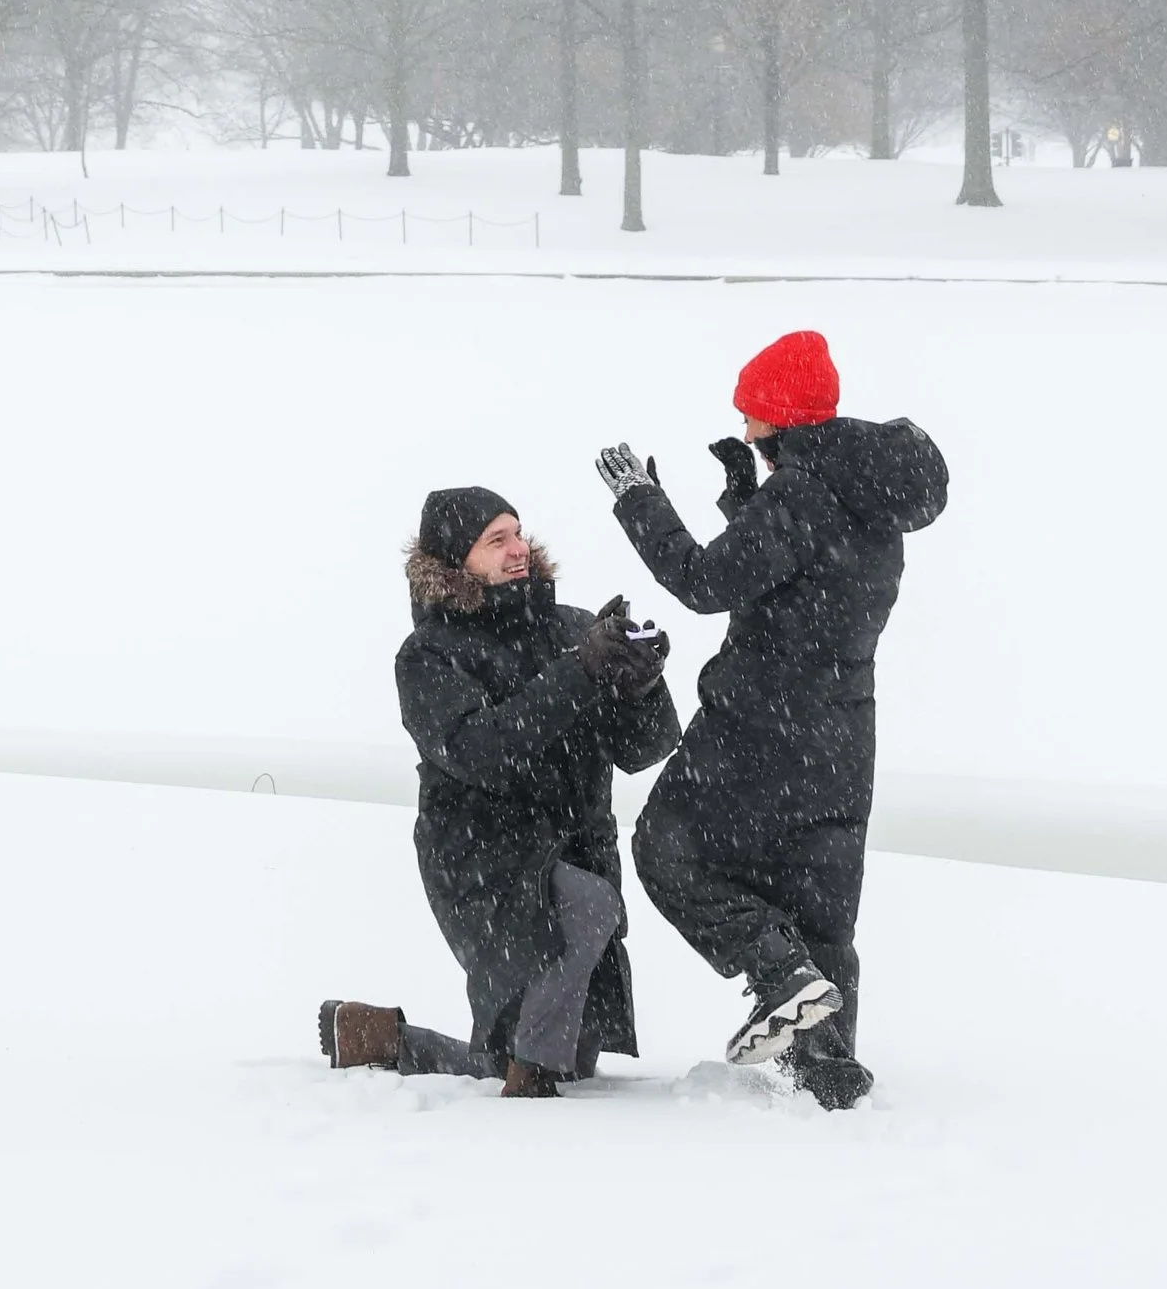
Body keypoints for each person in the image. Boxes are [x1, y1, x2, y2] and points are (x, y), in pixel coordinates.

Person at [596, 330, 947, 1112]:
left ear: (778, 418)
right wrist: (743, 497)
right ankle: (828, 1084)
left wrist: (639, 501)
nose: (746, 432)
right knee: (817, 908)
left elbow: (702, 582)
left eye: (752, 419)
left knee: (666, 850)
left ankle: (776, 972)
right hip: (842, 740)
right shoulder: (871, 502)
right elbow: (798, 575)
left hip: (759, 727)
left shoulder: (801, 496)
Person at [321, 482, 680, 1099]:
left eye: (518, 532)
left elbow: (641, 751)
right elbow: (484, 752)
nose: (519, 548)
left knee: (566, 1057)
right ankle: (527, 1094)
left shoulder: (570, 627)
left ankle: (379, 1038)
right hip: (484, 860)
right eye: (497, 539)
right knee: (586, 919)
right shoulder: (428, 656)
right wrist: (579, 673)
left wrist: (642, 686)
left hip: (573, 850)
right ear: (457, 560)